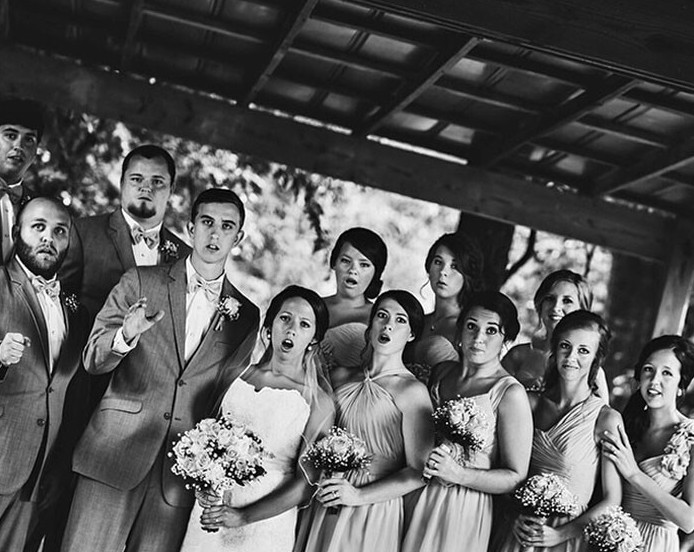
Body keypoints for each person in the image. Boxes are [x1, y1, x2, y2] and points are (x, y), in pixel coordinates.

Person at [60, 188, 260, 552]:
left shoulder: (246, 315)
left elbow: (224, 397)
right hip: (114, 451)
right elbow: (92, 359)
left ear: (239, 237)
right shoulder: (141, 280)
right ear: (191, 227)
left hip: (179, 474)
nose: (215, 234)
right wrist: (125, 335)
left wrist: (216, 467)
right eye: (207, 222)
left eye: (226, 226)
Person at [180, 285, 335, 552]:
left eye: (304, 324)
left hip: (266, 521)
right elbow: (206, 442)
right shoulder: (235, 375)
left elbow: (306, 484)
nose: (292, 329)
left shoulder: (318, 402)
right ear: (270, 325)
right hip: (214, 508)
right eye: (285, 318)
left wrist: (243, 516)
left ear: (314, 338)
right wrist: (203, 486)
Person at [295, 290, 434, 552]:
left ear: (412, 334)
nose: (388, 325)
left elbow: (419, 472)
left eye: (400, 320)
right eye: (382, 315)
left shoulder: (412, 391)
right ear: (371, 325)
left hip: (372, 505)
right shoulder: (340, 376)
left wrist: (357, 495)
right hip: (326, 492)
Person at [402, 291, 532, 552]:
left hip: (462, 506)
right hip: (414, 488)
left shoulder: (509, 393)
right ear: (460, 329)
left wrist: (458, 474)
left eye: (491, 330)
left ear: (506, 338)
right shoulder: (441, 373)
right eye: (472, 326)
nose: (478, 337)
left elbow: (516, 477)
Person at [0, 197, 89, 550]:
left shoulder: (75, 310)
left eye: (59, 231)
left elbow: (68, 394)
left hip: (37, 479)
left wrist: (58, 466)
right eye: (38, 227)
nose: (48, 237)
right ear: (16, 232)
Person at [493, 310, 622, 552]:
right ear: (554, 348)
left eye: (583, 350)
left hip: (565, 539)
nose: (571, 357)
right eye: (565, 346)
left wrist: (560, 535)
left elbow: (612, 499)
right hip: (518, 530)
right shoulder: (528, 404)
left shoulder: (606, 419)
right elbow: (501, 469)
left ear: (597, 357)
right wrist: (514, 513)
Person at [59, 144, 190, 321]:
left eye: (157, 181)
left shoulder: (185, 257)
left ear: (171, 189)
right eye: (136, 179)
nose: (146, 188)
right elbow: (58, 303)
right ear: (122, 183)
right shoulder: (83, 233)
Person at [601, 335, 694, 552]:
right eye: (649, 370)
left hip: (656, 545)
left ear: (681, 386)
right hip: (609, 539)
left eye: (667, 373)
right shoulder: (624, 425)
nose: (654, 381)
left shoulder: (690, 437)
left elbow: (689, 521)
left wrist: (634, 474)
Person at [502, 269, 609, 399]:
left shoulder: (592, 371)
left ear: (582, 309)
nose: (556, 307)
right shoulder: (518, 355)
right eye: (550, 299)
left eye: (567, 301)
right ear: (540, 304)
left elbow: (602, 410)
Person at [406, 232, 484, 376]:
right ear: (428, 267)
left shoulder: (468, 329)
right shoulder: (418, 321)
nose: (443, 272)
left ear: (467, 275)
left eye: (454, 266)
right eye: (438, 262)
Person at [320, 227, 387, 371]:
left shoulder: (381, 317)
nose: (353, 270)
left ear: (376, 272)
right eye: (345, 261)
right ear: (334, 262)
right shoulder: (311, 306)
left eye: (364, 265)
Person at [0, 98, 44, 263]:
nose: (19, 146)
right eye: (10, 136)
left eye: (29, 140)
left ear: (35, 152)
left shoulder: (40, 208)